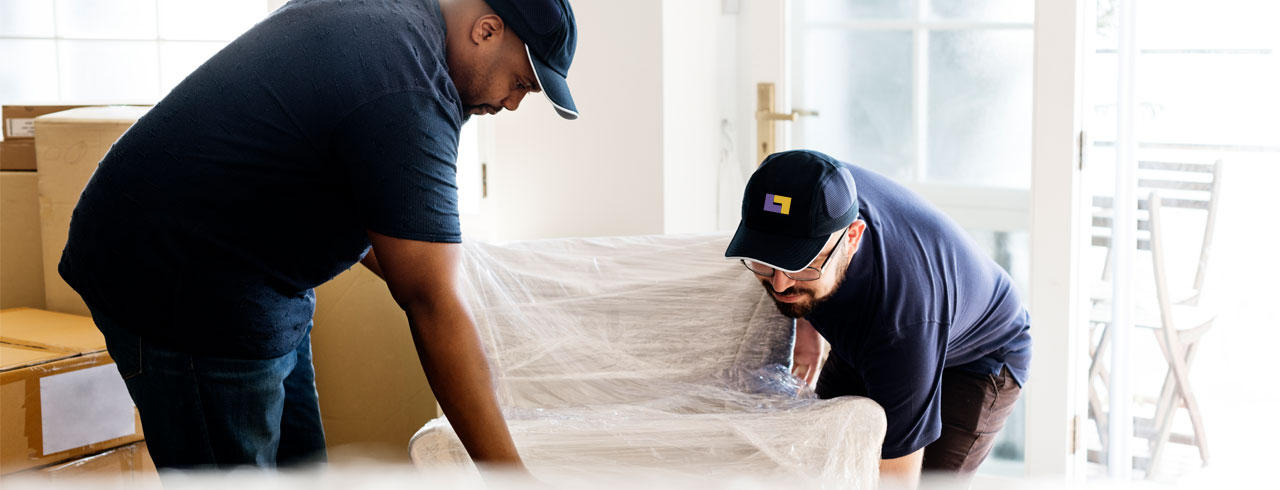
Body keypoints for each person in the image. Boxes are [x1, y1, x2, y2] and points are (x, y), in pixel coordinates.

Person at [58, 0, 579, 470]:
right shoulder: (409, 85)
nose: (512, 104)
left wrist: (448, 275)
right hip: (182, 277)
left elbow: (386, 215)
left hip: (255, 265)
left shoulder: (393, 23)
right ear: (487, 31)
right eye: (520, 83)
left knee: (303, 470)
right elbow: (428, 300)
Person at [724, 150, 1031, 488]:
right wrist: (806, 329)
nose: (779, 283)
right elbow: (789, 250)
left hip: (981, 355)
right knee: (819, 463)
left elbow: (898, 481)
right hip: (886, 319)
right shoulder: (804, 185)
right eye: (766, 262)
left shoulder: (899, 329)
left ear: (852, 237)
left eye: (801, 265)